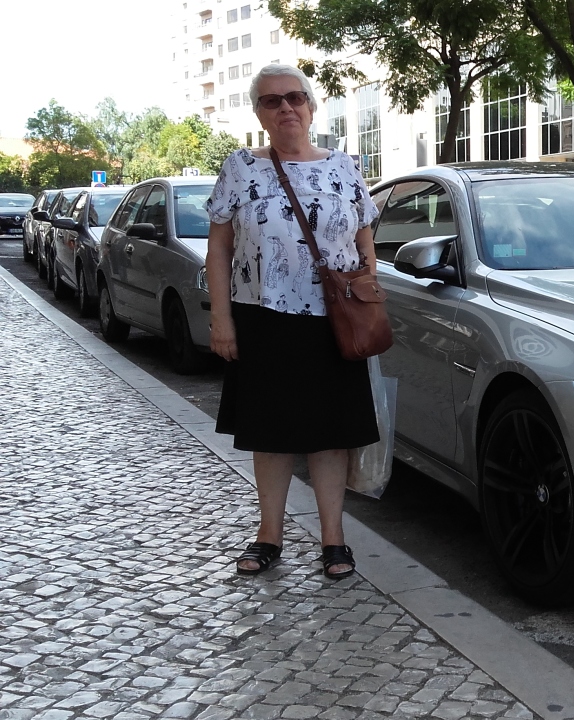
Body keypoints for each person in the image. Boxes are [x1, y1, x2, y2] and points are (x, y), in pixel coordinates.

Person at [205, 64, 380, 580]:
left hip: (335, 321)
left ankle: (333, 541)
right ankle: (269, 536)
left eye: (294, 97)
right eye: (271, 100)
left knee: (329, 435)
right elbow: (219, 250)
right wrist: (221, 318)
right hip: (264, 317)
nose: (285, 107)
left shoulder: (344, 167)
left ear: (310, 105)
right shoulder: (242, 167)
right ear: (259, 113)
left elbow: (364, 237)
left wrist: (368, 292)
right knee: (272, 434)